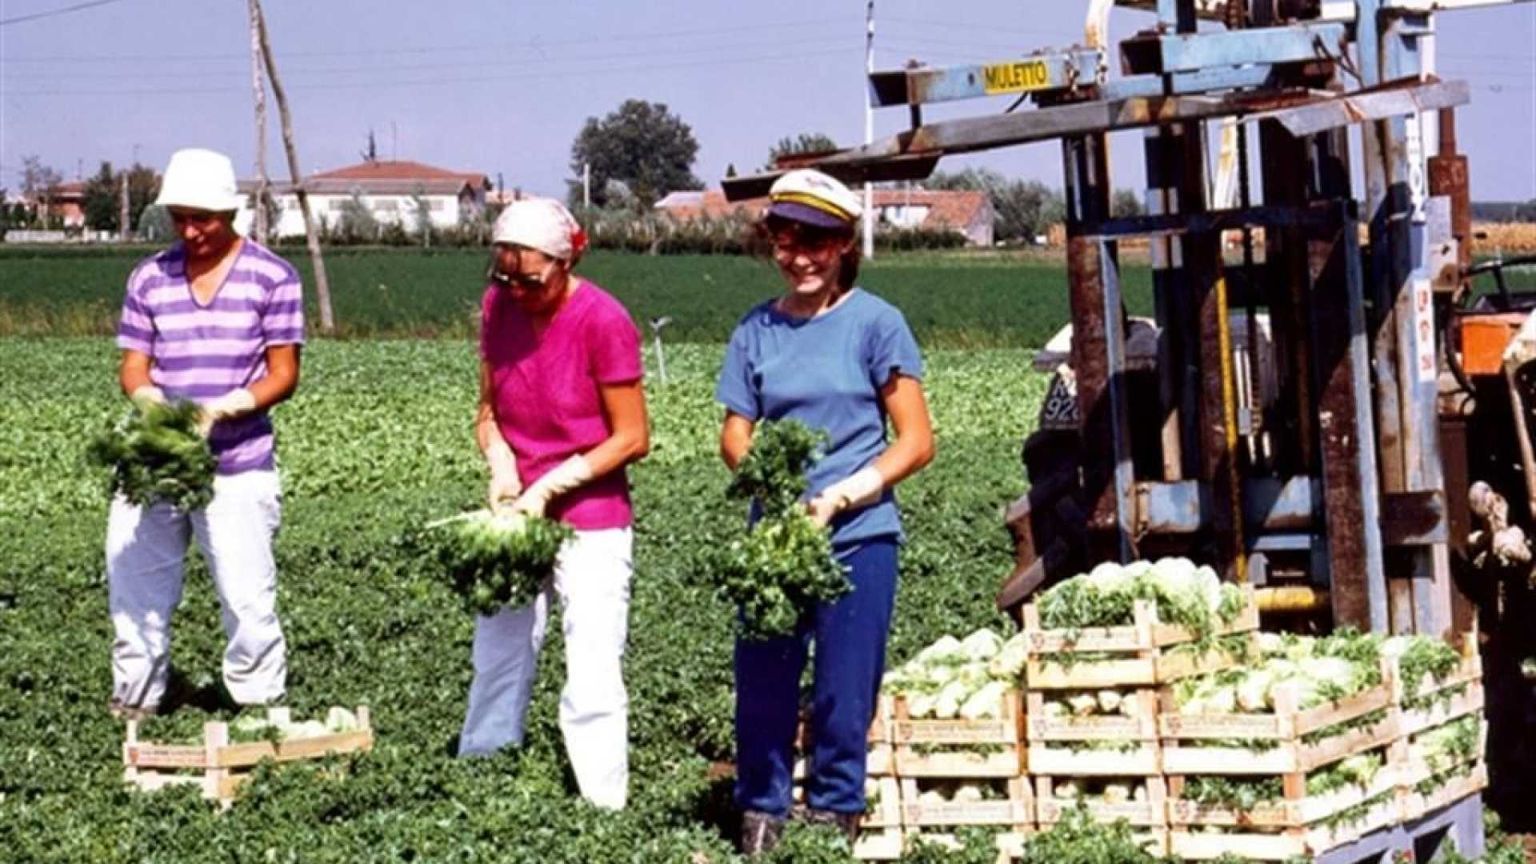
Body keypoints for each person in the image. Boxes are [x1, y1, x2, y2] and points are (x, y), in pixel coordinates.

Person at [716, 169, 936, 853]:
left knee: (845, 687)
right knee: (764, 684)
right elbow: (734, 429)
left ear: (845, 245)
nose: (800, 257)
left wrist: (844, 492)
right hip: (778, 539)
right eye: (786, 240)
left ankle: (835, 811)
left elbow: (916, 440)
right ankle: (762, 812)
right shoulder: (756, 329)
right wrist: (767, 486)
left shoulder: (877, 324)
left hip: (859, 534)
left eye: (817, 241)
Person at [459, 197, 649, 811]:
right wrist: (502, 464)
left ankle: (601, 804)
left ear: (565, 262)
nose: (517, 291)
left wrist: (553, 485)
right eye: (504, 278)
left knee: (592, 660)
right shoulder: (498, 308)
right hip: (518, 508)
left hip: (591, 513)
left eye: (531, 279)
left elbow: (632, 436)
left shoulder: (604, 320)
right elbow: (488, 411)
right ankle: (483, 780)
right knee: (497, 650)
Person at [107, 147, 304, 716]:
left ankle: (256, 702)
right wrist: (151, 404)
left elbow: (283, 373)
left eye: (204, 219)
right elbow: (133, 365)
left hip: (238, 463)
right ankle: (139, 697)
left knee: (247, 597)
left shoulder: (273, 276)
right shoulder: (149, 277)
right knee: (136, 589)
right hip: (157, 463)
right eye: (180, 218)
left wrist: (222, 409)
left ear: (232, 213)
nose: (191, 231)